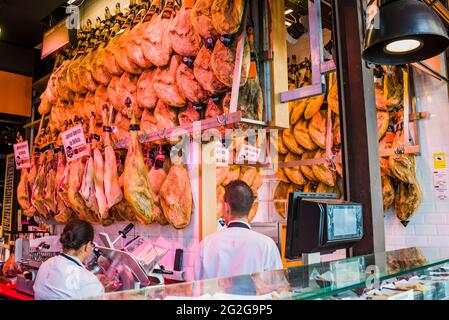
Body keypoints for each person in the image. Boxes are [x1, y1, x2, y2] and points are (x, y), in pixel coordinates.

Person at [194, 180, 283, 281]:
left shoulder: (207, 244)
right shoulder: (267, 245)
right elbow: (277, 288)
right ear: (251, 208)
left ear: (226, 207)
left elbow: (197, 289)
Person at [33, 220, 105, 300]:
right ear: (87, 246)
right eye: (92, 245)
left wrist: (94, 282)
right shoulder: (88, 281)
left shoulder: (45, 265)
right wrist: (98, 286)